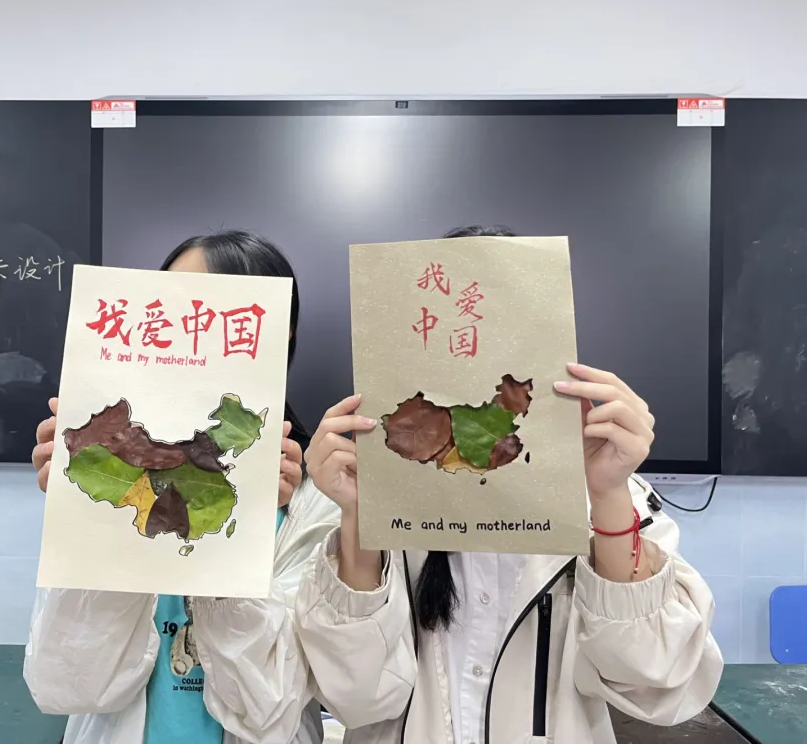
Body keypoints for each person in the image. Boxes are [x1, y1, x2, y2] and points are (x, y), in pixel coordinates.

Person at [295, 225, 724, 744]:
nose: (476, 364)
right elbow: (357, 696)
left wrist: (607, 495)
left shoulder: (613, 500)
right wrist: (361, 519)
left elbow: (655, 683)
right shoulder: (387, 492)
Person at [25, 230, 341, 744]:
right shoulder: (121, 472)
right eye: (167, 305)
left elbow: (269, 709)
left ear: (277, 332)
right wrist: (87, 510)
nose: (182, 325)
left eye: (206, 311)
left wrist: (234, 528)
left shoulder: (315, 503)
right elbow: (65, 686)